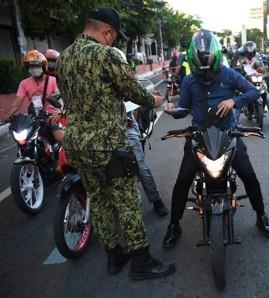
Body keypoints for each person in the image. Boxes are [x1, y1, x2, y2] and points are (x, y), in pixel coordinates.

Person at [56, 7, 174, 280]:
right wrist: (154, 101)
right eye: (114, 37)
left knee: (97, 199)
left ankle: (113, 256)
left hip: (77, 143)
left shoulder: (62, 60)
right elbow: (132, 90)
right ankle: (141, 262)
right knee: (127, 201)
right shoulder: (106, 55)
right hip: (108, 144)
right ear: (106, 32)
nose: (114, 41)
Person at [162, 29, 269, 249]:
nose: (207, 78)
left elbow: (253, 91)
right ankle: (174, 225)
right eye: (202, 73)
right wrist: (173, 111)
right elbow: (184, 109)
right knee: (183, 180)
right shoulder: (189, 81)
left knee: (249, 175)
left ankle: (261, 216)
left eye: (210, 72)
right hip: (199, 136)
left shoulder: (227, 73)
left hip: (228, 134)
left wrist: (234, 101)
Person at [112, 47, 169, 217]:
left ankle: (156, 199)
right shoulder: (93, 81)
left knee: (139, 165)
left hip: (126, 126)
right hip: (102, 132)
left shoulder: (127, 80)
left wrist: (152, 97)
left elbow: (143, 95)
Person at [0, 50, 64, 144]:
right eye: (30, 66)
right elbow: (17, 102)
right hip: (35, 119)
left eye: (37, 65)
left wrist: (58, 110)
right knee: (26, 142)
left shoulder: (53, 80)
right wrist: (9, 114)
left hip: (52, 117)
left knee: (59, 137)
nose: (33, 68)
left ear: (43, 66)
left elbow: (60, 98)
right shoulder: (24, 83)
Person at [233, 41, 269, 125]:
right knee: (241, 97)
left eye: (252, 50)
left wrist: (265, 71)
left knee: (268, 97)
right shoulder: (240, 56)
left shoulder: (258, 56)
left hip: (258, 78)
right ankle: (234, 121)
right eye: (248, 50)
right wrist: (239, 70)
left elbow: (264, 65)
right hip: (246, 79)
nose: (250, 52)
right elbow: (236, 67)